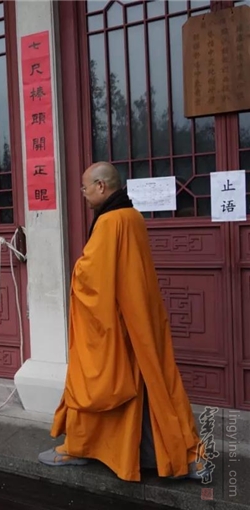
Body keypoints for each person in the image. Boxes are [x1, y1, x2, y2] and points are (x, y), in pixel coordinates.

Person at [38, 162, 208, 482]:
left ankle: (83, 448)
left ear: (101, 186)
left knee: (96, 382)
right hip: (139, 319)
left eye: (85, 188)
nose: (84, 194)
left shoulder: (110, 221)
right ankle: (178, 456)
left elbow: (92, 278)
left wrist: (77, 271)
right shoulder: (133, 217)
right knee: (154, 386)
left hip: (117, 323)